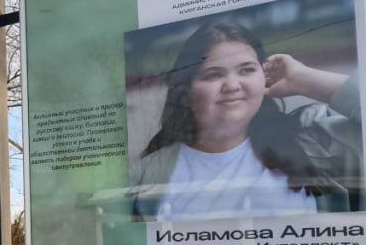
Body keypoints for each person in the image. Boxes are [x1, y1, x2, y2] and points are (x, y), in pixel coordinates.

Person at [131, 20, 362, 222]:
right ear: (186, 89)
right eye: (213, 74)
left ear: (263, 77)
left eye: (246, 70)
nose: (232, 85)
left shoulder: (314, 138)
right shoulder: (148, 172)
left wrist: (303, 79)